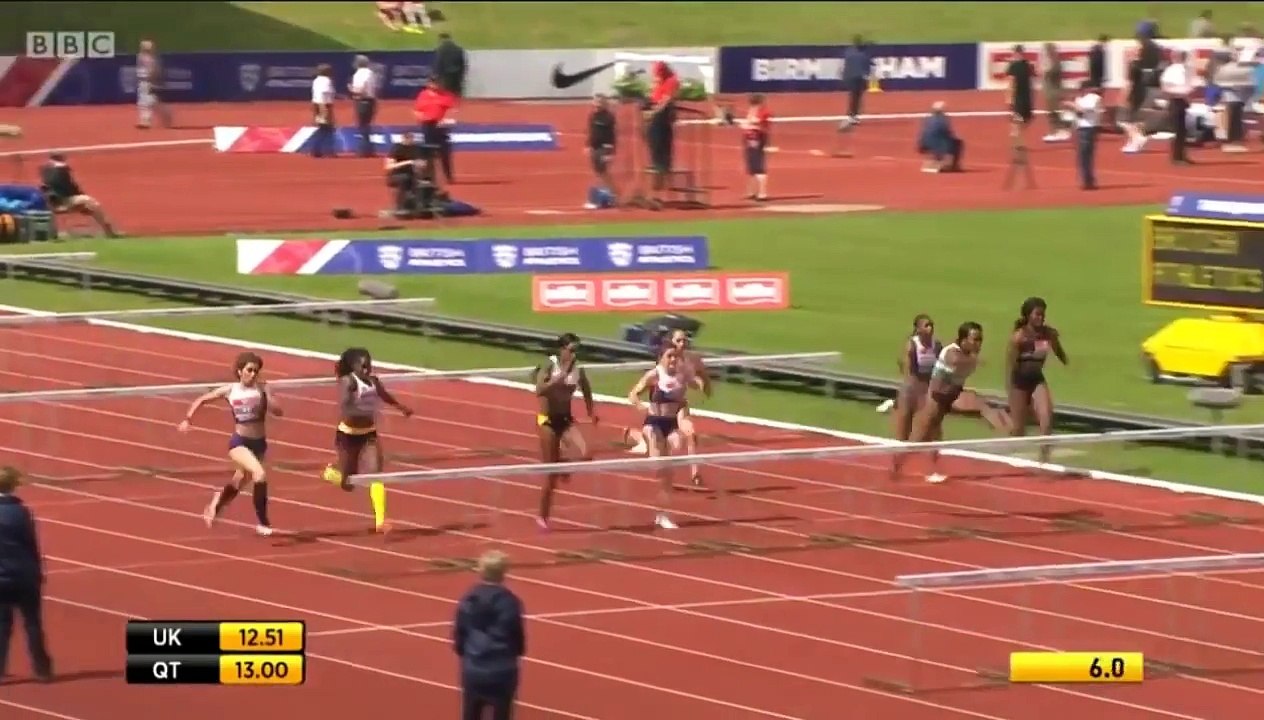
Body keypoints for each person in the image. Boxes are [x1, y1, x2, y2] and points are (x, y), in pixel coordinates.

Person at [179, 352, 282, 537]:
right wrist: (188, 419)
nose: (253, 374)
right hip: (240, 443)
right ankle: (263, 522)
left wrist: (267, 396)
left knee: (238, 482)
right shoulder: (230, 390)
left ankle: (217, 501)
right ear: (240, 371)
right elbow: (202, 399)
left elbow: (279, 412)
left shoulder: (262, 389)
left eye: (256, 371)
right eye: (249, 370)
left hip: (259, 444)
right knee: (259, 474)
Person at [321, 347, 414, 533]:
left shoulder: (374, 381)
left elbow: (384, 395)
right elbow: (345, 407)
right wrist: (364, 411)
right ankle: (330, 473)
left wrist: (401, 407)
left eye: (369, 365)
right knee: (349, 484)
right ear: (353, 366)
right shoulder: (349, 382)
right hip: (348, 435)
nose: (366, 369)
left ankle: (380, 521)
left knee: (376, 474)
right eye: (363, 366)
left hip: (368, 434)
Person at [892, 322, 984, 483]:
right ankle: (897, 465)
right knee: (919, 439)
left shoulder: (968, 356)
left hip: (945, 400)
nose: (978, 343)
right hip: (935, 401)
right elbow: (954, 362)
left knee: (935, 438)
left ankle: (931, 470)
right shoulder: (953, 353)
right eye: (975, 339)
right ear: (964, 339)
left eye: (980, 339)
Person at [533, 333, 597, 531]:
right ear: (562, 350)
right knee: (550, 474)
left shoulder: (578, 370)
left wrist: (591, 411)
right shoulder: (550, 365)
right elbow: (539, 390)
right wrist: (558, 379)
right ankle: (542, 516)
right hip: (547, 421)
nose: (575, 354)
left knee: (586, 452)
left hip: (566, 420)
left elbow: (586, 389)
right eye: (572, 350)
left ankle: (562, 464)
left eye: (578, 351)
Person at [453, 550, 524, 720]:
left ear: (480, 570)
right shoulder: (510, 602)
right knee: (502, 713)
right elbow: (516, 635)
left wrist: (466, 653)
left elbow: (460, 633)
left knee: (471, 712)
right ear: (504, 572)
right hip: (502, 669)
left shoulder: (469, 599)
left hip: (474, 667)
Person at [629, 348, 692, 530]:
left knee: (669, 472)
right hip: (654, 422)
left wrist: (685, 418)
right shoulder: (654, 375)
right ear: (661, 358)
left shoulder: (682, 377)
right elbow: (633, 394)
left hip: (671, 424)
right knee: (658, 466)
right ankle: (641, 440)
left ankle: (663, 515)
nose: (672, 359)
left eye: (675, 356)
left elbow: (683, 402)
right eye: (669, 356)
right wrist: (640, 406)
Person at [0, 466, 53, 683]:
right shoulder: (22, 512)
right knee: (32, 623)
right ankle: (42, 669)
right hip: (25, 575)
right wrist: (38, 571)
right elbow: (32, 545)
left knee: (2, 624)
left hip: (2, 577)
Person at [1005, 297, 1068, 465]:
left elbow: (1058, 350)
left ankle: (1044, 461)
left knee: (1046, 420)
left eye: (1043, 314)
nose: (1041, 317)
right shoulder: (1018, 338)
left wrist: (1068, 364)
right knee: (1018, 429)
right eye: (1037, 314)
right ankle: (1006, 456)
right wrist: (1011, 390)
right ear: (1028, 316)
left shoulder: (1049, 334)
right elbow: (1011, 365)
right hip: (1019, 383)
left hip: (1037, 380)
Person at [39, 153, 121, 237]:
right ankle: (109, 232)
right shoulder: (59, 170)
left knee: (90, 206)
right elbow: (68, 188)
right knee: (91, 202)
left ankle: (109, 231)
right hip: (62, 202)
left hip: (60, 202)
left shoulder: (46, 170)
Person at [891, 314, 941, 443]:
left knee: (932, 428)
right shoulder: (912, 345)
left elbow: (941, 368)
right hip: (911, 390)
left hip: (927, 390)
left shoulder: (936, 345)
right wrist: (904, 394)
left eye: (931, 325)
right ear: (918, 329)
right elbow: (907, 371)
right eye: (926, 325)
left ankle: (935, 452)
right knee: (903, 432)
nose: (930, 328)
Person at [643, 62, 680, 209]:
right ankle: (655, 193)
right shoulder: (658, 83)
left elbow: (666, 101)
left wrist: (652, 112)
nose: (655, 77)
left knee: (661, 157)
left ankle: (659, 195)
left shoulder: (671, 81)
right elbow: (653, 97)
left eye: (657, 74)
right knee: (655, 156)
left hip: (661, 121)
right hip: (655, 122)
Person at [414, 78, 457, 185]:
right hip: (427, 125)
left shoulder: (447, 96)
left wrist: (445, 121)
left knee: (444, 152)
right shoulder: (423, 95)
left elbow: (452, 111)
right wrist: (421, 118)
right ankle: (427, 176)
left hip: (441, 126)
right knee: (427, 152)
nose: (435, 85)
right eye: (433, 83)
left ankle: (448, 176)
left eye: (437, 83)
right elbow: (417, 110)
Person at [384, 132, 436, 217]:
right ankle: (399, 207)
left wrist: (421, 164)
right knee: (405, 179)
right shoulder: (396, 149)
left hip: (412, 176)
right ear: (403, 139)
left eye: (412, 139)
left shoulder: (416, 148)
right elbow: (389, 166)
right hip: (395, 176)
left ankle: (422, 205)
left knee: (426, 181)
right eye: (408, 138)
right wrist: (408, 162)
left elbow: (422, 163)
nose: (410, 141)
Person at [1161, 51, 1195, 165]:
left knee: (1182, 130)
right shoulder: (1172, 70)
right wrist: (1181, 92)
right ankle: (1177, 157)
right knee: (1178, 130)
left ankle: (1181, 155)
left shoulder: (1184, 69)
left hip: (1181, 100)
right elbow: (1166, 87)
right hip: (1176, 100)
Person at [584, 94, 618, 209]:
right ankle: (604, 196)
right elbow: (591, 132)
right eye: (595, 102)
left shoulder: (608, 117)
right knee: (598, 173)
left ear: (604, 104)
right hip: (595, 148)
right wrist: (588, 145)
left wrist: (610, 152)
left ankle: (612, 195)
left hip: (604, 148)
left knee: (603, 173)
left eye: (599, 102)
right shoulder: (593, 116)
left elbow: (612, 135)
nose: (597, 105)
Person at [1069, 81, 1103, 190]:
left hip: (1089, 128)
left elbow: (1083, 110)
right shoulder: (1079, 99)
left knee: (1085, 155)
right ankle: (1087, 180)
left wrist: (1071, 105)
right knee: (1083, 156)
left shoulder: (1093, 98)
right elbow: (1078, 114)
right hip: (1082, 128)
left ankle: (1088, 181)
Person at [135, 39, 172, 130]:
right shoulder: (140, 57)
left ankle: (147, 120)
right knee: (148, 102)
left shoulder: (152, 59)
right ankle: (163, 116)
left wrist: (152, 80)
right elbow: (140, 70)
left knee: (148, 102)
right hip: (143, 81)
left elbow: (155, 70)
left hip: (150, 81)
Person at [741, 93, 772, 201]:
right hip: (749, 140)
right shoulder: (752, 111)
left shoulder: (763, 112)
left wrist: (749, 125)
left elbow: (760, 125)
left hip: (757, 140)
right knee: (751, 167)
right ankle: (751, 192)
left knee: (758, 167)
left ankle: (762, 193)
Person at [918, 101, 963, 172]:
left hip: (925, 144)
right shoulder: (944, 119)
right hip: (938, 144)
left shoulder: (927, 119)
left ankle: (936, 160)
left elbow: (923, 133)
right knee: (957, 143)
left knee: (938, 141)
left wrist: (921, 144)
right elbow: (946, 133)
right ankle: (954, 166)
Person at [348, 55, 380, 158]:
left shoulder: (359, 74)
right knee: (367, 125)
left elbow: (360, 89)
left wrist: (351, 90)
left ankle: (363, 150)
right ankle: (369, 149)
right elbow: (374, 88)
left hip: (362, 101)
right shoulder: (371, 73)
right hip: (371, 100)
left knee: (363, 126)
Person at [1040, 43, 1070, 142]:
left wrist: (1044, 71)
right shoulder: (1055, 62)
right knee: (1054, 113)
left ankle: (1057, 132)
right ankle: (1059, 132)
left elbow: (1048, 74)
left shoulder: (1054, 64)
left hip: (1053, 92)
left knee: (1053, 113)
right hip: (1052, 91)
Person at [1005, 44, 1035, 139]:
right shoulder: (1026, 65)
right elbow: (1012, 82)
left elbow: (1011, 82)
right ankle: (1016, 137)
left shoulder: (1015, 66)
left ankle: (1016, 135)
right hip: (1023, 96)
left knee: (1022, 119)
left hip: (1021, 96)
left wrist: (1009, 97)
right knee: (1022, 119)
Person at [310, 63, 337, 158]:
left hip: (317, 105)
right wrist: (324, 111)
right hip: (324, 105)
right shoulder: (326, 81)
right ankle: (327, 151)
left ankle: (317, 150)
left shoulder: (316, 80)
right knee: (327, 129)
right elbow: (323, 95)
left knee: (323, 128)